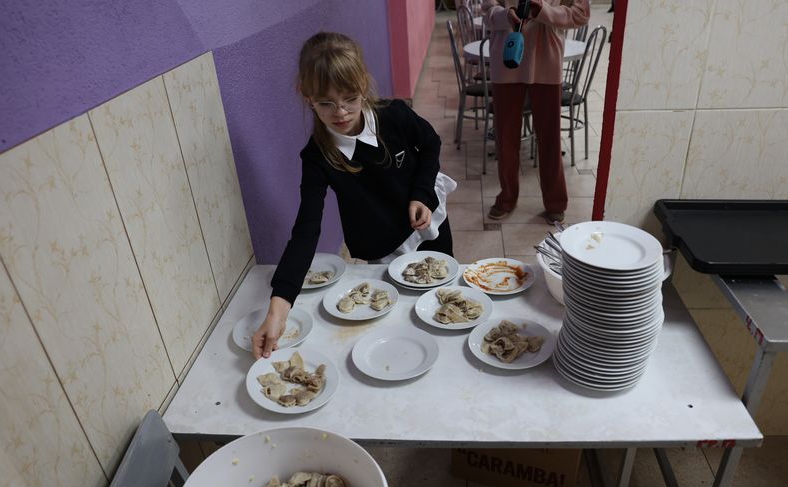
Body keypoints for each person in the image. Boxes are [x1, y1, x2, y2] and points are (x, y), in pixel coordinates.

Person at [252, 32, 455, 359]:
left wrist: (421, 194)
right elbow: (306, 231)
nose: (341, 112)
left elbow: (431, 144)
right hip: (381, 248)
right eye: (326, 103)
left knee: (443, 302)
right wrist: (278, 311)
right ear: (306, 96)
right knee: (399, 323)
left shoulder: (395, 115)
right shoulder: (317, 157)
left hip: (427, 227)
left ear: (363, 84)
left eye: (349, 98)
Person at [482, 0, 590, 225]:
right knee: (505, 138)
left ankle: (556, 202)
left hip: (547, 61)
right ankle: (507, 197)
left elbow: (580, 15)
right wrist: (506, 15)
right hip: (507, 59)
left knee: (550, 138)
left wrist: (544, 11)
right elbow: (488, 10)